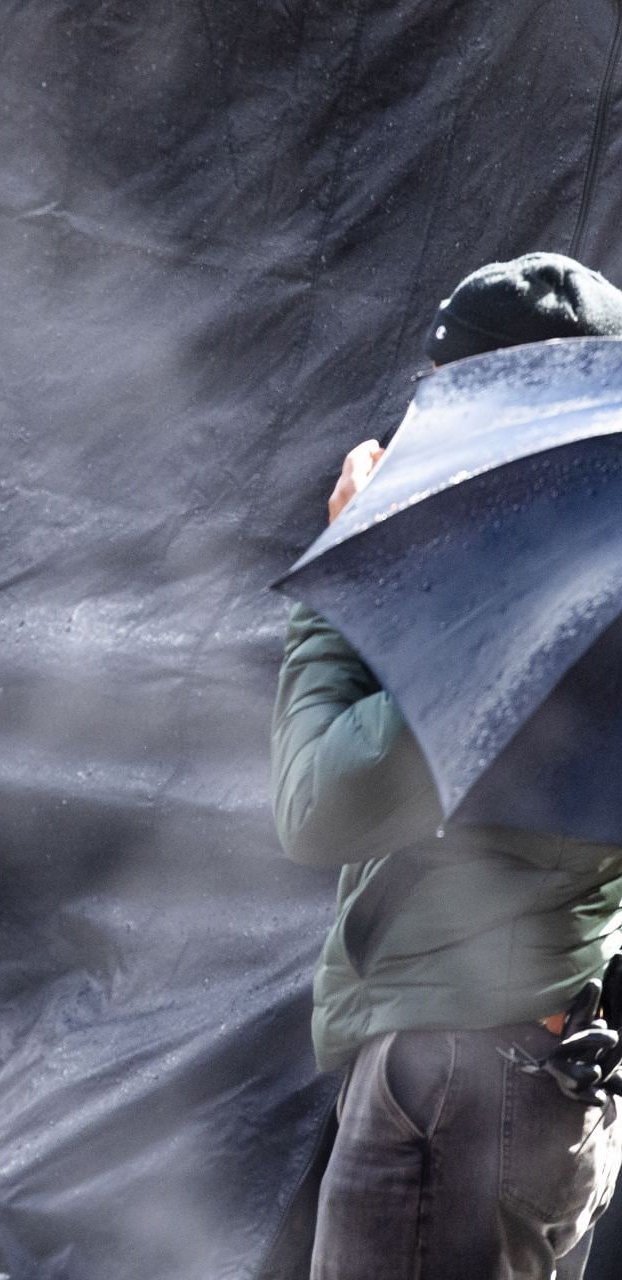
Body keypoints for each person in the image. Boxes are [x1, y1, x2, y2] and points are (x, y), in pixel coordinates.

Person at [272, 252, 622, 1279]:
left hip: (464, 1079)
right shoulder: (597, 571)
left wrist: (349, 562)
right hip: (552, 1072)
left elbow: (317, 801)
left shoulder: (527, 620)